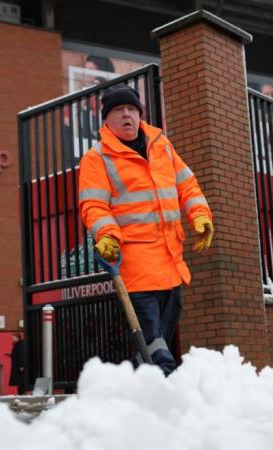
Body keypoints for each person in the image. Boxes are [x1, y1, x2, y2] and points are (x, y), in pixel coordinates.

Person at [78, 85, 214, 376]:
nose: (127, 115)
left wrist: (200, 216)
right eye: (118, 110)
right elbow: (94, 206)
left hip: (171, 265)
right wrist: (107, 236)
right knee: (155, 346)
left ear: (140, 114)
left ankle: (139, 394)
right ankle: (161, 390)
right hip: (136, 269)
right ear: (107, 120)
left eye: (131, 109)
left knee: (156, 340)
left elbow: (187, 186)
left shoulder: (162, 146)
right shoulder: (97, 157)